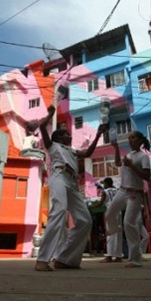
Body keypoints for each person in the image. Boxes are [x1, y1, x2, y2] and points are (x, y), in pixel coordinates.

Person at [34, 105, 107, 271]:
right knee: (59, 211)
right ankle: (42, 259)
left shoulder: (73, 151)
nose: (70, 136)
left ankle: (64, 259)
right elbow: (42, 127)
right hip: (59, 176)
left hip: (73, 182)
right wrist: (50, 114)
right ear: (59, 137)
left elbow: (88, 153)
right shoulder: (53, 146)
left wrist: (98, 135)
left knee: (85, 220)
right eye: (66, 134)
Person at [105, 131, 151, 268]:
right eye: (129, 138)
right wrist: (116, 149)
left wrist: (131, 166)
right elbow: (118, 163)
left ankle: (135, 259)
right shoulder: (129, 155)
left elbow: (147, 177)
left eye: (133, 138)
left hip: (135, 193)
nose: (130, 140)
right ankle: (113, 230)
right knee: (110, 214)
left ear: (140, 140)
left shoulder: (143, 157)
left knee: (129, 223)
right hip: (122, 190)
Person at [91, 177, 122, 263]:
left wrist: (91, 206)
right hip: (118, 212)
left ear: (106, 184)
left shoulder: (105, 192)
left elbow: (100, 203)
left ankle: (109, 256)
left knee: (110, 233)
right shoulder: (117, 191)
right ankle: (118, 256)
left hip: (111, 212)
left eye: (104, 183)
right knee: (118, 233)